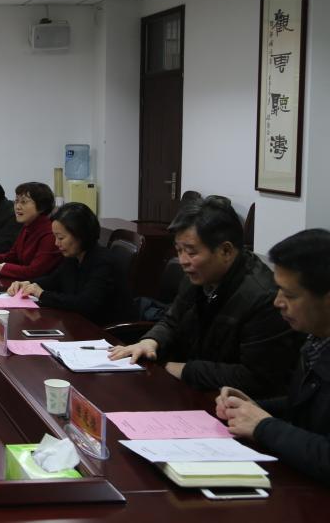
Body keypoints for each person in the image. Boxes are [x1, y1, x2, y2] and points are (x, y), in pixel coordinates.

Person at [109, 197, 301, 397]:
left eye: (191, 252)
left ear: (226, 251)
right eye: (179, 250)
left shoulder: (263, 298)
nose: (182, 261)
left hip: (231, 402)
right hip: (192, 390)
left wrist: (185, 370)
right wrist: (151, 341)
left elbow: (255, 378)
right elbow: (173, 320)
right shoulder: (198, 276)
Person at [216, 229, 330, 484]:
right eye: (278, 289)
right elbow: (307, 407)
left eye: (289, 295)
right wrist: (252, 407)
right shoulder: (315, 338)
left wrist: (263, 426)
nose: (277, 302)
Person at [6, 202, 135, 326]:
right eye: (55, 237)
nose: (56, 243)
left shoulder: (103, 262)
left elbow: (85, 303)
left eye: (61, 238)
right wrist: (28, 284)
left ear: (81, 236)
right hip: (79, 324)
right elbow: (54, 280)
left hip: (105, 332)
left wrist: (41, 294)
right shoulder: (74, 257)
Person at [0, 181, 62, 281]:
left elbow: (33, 271)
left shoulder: (49, 234)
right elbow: (12, 256)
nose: (17, 207)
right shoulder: (27, 227)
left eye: (23, 202)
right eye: (16, 201)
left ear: (41, 207)